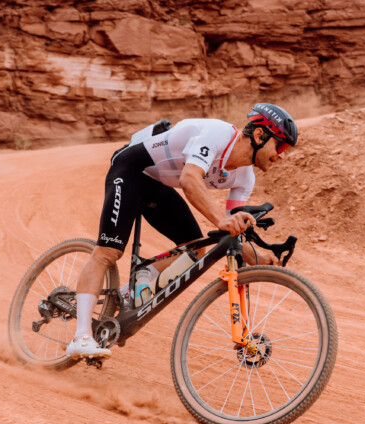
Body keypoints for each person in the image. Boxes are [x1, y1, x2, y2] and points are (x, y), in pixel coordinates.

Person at [66, 103, 299, 360]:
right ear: (259, 135)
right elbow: (190, 180)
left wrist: (260, 256)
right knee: (108, 252)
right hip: (132, 170)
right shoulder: (218, 135)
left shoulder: (245, 178)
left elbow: (233, 230)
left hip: (159, 186)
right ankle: (81, 337)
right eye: (281, 146)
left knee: (194, 249)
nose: (282, 155)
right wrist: (222, 219)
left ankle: (127, 291)